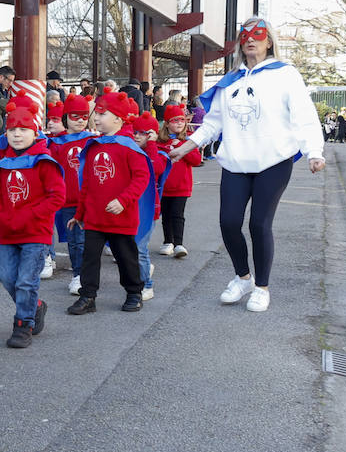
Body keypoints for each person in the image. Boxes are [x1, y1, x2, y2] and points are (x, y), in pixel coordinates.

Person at [167, 16, 325, 313]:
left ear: (269, 40)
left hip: (273, 161)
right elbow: (212, 124)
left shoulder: (285, 74)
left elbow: (304, 115)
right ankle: (243, 278)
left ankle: (262, 287)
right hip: (236, 161)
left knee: (259, 224)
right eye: (245, 34)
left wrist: (314, 151)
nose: (251, 38)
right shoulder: (231, 80)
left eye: (258, 33)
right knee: (228, 222)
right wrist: (186, 146)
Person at [0, 98, 64, 349]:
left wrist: (28, 216)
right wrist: (3, 217)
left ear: (34, 132)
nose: (17, 134)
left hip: (36, 233)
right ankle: (35, 306)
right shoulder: (2, 164)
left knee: (26, 281)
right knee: (7, 278)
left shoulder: (44, 162)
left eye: (23, 130)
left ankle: (23, 324)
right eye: (12, 130)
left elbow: (56, 196)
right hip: (8, 232)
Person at [67, 90, 153, 315]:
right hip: (95, 216)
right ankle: (88, 296)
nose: (95, 117)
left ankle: (134, 292)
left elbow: (141, 178)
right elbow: (86, 183)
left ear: (118, 118)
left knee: (127, 258)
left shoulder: (129, 147)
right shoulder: (94, 145)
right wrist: (79, 213)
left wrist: (123, 201)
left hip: (121, 217)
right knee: (90, 258)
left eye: (102, 113)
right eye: (96, 112)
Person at [50, 93, 95, 296]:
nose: (80, 121)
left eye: (84, 116)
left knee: (87, 240)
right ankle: (78, 275)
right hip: (68, 201)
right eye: (75, 116)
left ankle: (86, 275)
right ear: (66, 117)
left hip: (90, 200)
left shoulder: (94, 140)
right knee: (74, 240)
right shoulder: (56, 144)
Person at [130, 112, 167, 301]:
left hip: (148, 210)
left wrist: (152, 144)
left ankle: (147, 284)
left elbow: (156, 169)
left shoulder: (157, 152)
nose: (137, 136)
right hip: (129, 208)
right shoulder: (130, 150)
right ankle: (140, 276)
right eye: (135, 131)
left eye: (143, 133)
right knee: (132, 249)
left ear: (152, 134)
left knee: (140, 249)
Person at [156, 103, 200, 258]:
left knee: (177, 213)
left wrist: (182, 147)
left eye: (182, 120)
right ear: (167, 123)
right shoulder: (159, 142)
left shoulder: (189, 140)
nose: (180, 123)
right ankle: (168, 241)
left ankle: (179, 244)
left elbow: (196, 160)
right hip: (164, 186)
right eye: (175, 120)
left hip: (182, 186)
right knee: (166, 214)